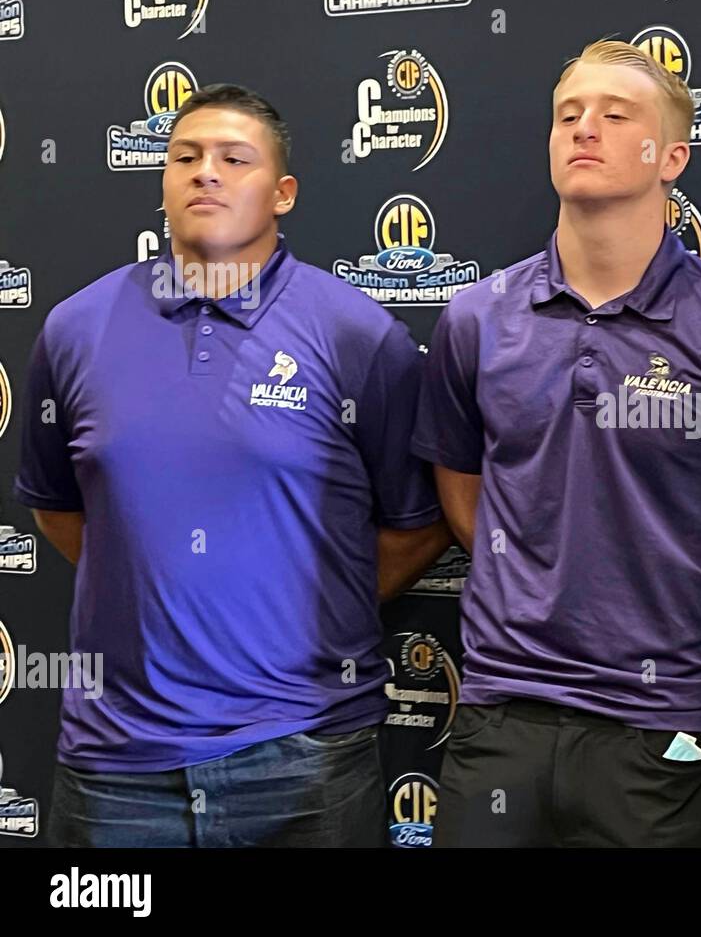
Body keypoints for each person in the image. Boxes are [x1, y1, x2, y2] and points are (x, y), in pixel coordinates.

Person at [13, 84, 450, 847]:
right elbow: (58, 508)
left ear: (283, 193)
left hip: (303, 752)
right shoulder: (75, 329)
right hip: (115, 764)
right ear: (162, 183)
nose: (204, 173)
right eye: (185, 156)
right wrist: (159, 585)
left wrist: (307, 614)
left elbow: (417, 525)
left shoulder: (358, 336)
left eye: (233, 158)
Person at [413, 40, 701, 847]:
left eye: (614, 114)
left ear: (672, 156)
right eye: (568, 114)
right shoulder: (476, 318)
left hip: (660, 733)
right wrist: (521, 572)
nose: (584, 129)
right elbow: (459, 479)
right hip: (500, 717)